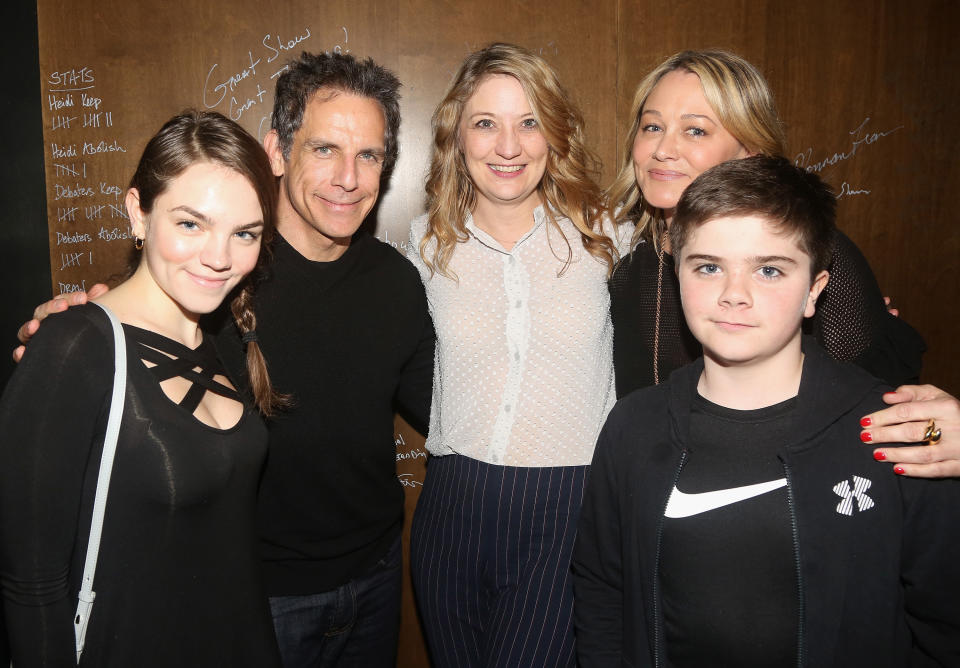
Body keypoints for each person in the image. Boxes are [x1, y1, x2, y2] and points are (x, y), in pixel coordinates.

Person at [11, 52, 435, 668]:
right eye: (323, 150)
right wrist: (74, 326)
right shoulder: (218, 282)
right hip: (251, 595)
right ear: (277, 151)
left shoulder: (396, 280)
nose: (349, 177)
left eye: (369, 155)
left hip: (374, 578)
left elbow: (439, 405)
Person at [573, 155, 960, 667]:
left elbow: (945, 620)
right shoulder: (633, 425)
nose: (735, 295)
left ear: (814, 291)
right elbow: (603, 586)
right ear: (678, 277)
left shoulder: (899, 429)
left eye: (770, 270)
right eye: (709, 267)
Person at [0, 110, 283, 666]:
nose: (220, 258)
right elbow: (29, 583)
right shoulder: (73, 348)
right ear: (138, 213)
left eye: (244, 233)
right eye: (190, 224)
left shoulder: (224, 338)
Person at [605, 49, 960, 478]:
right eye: (653, 126)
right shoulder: (626, 264)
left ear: (749, 152)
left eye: (695, 131)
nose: (663, 149)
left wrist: (940, 437)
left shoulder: (816, 256)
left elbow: (890, 416)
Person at [405, 43, 628, 667]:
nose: (509, 146)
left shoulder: (607, 234)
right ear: (458, 137)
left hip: (569, 507)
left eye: (529, 122)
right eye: (486, 123)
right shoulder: (425, 246)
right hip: (451, 503)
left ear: (555, 134)